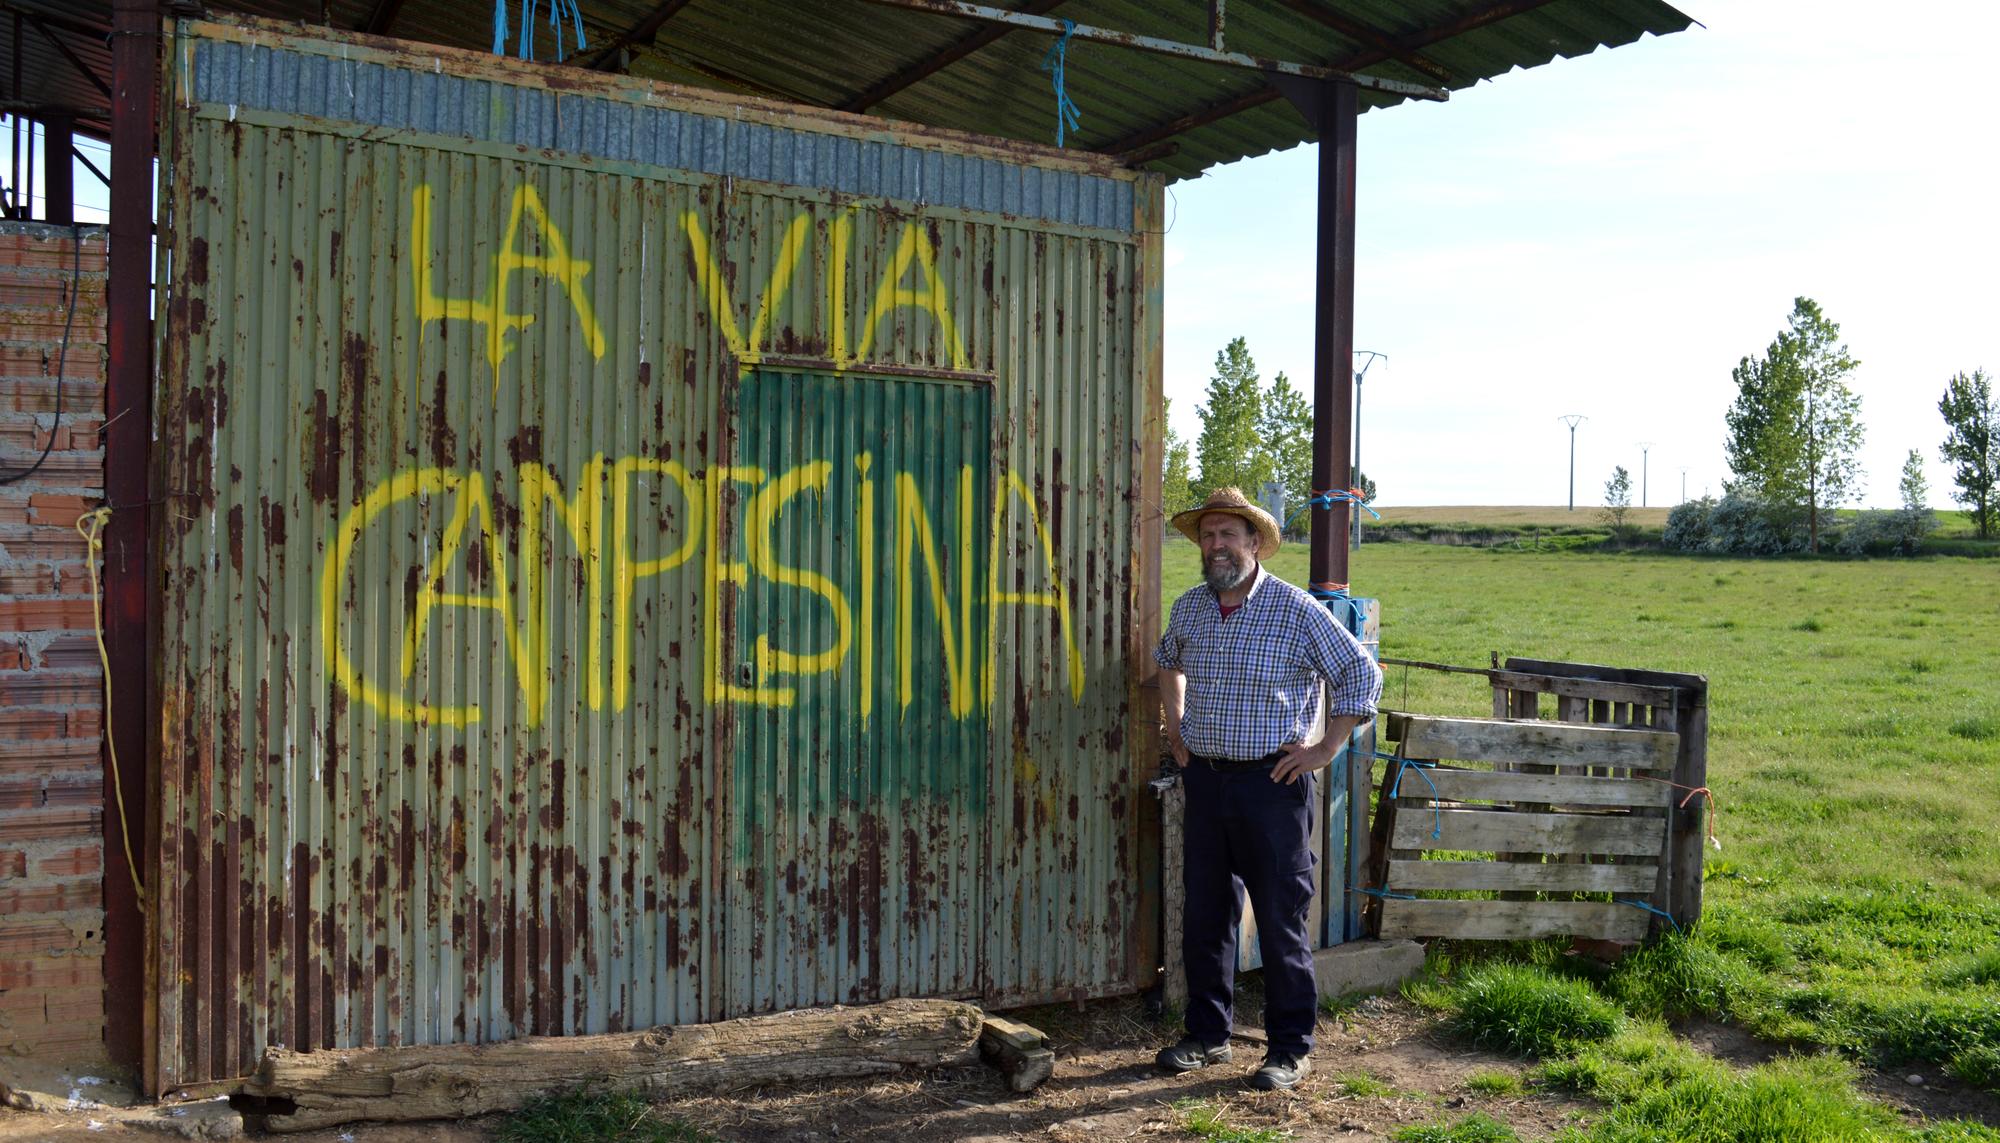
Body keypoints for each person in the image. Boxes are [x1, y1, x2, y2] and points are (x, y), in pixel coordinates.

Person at [1152, 486, 1383, 1091]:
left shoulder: (1295, 609)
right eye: (1208, 535)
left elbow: (1361, 672)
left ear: (1256, 543)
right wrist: (1176, 731)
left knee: (1281, 920)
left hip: (1271, 784)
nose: (1216, 545)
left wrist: (1325, 749)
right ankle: (1207, 1035)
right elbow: (1168, 664)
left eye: (1229, 534)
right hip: (1204, 780)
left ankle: (1290, 1048)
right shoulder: (1190, 608)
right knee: (1205, 914)